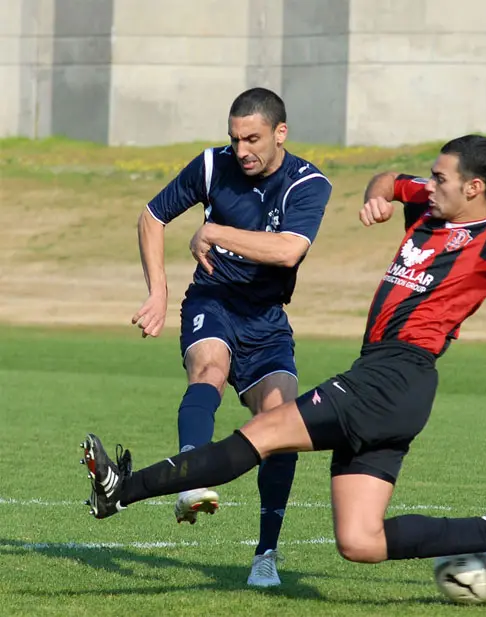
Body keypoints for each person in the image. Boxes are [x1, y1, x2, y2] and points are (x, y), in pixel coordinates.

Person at [82, 134, 486, 579]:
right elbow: (390, 178)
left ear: (475, 188)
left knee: (260, 433)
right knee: (359, 539)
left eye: (442, 178)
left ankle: (122, 489)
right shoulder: (429, 204)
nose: (431, 183)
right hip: (396, 387)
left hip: (391, 377)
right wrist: (379, 200)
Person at [130, 87, 332, 587]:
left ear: (280, 134)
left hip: (266, 318)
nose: (241, 149)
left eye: (253, 138)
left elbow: (288, 252)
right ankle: (190, 481)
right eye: (234, 137)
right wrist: (158, 292)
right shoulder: (210, 165)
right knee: (210, 369)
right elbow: (152, 216)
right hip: (212, 302)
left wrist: (215, 232)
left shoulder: (308, 184)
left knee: (280, 421)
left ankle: (265, 554)